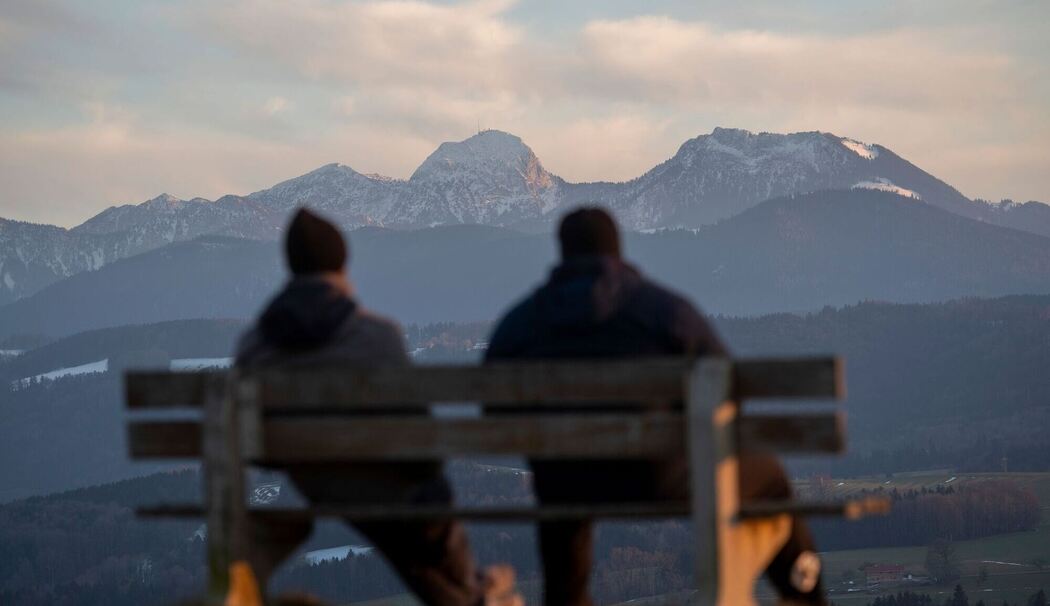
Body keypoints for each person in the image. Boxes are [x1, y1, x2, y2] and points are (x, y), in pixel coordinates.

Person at [484, 207, 825, 606]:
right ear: (617, 250)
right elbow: (726, 386)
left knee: (561, 490)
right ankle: (805, 594)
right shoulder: (662, 310)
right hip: (661, 476)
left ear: (562, 253)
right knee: (769, 475)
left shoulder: (521, 322)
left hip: (566, 480)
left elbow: (494, 410)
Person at [235, 208, 519, 606]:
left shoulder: (254, 343)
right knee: (424, 514)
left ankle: (472, 595)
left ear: (291, 266)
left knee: (409, 534)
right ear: (342, 264)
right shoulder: (374, 335)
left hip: (307, 478)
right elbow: (415, 431)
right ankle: (475, 594)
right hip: (381, 483)